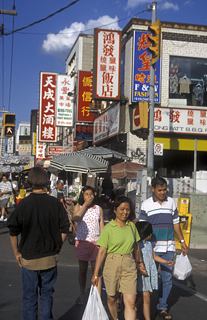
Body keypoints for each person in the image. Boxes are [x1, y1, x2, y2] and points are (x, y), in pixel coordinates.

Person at [7, 166, 69, 320]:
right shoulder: (55, 204)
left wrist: (16, 253)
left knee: (29, 297)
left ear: (30, 182)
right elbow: (64, 229)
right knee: (47, 295)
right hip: (49, 258)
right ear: (46, 181)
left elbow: (13, 231)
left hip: (28, 259)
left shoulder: (24, 205)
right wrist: (57, 247)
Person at [139, 176, 188, 320]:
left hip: (169, 248)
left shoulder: (171, 202)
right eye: (159, 190)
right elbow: (143, 229)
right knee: (148, 280)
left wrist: (182, 241)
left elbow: (176, 224)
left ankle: (163, 307)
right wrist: (143, 249)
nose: (162, 192)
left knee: (167, 280)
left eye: (164, 190)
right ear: (152, 189)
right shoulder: (146, 205)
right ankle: (145, 306)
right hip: (151, 249)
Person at [92, 196, 146, 320]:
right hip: (112, 264)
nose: (125, 212)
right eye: (122, 209)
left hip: (129, 264)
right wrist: (95, 274)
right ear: (115, 210)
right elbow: (101, 252)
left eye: (127, 210)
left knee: (131, 302)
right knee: (112, 298)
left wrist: (140, 262)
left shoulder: (132, 226)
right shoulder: (108, 228)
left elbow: (136, 247)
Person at [135, 221, 174, 320]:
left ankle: (134, 309)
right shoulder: (137, 245)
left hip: (149, 273)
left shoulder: (148, 244)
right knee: (146, 297)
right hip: (143, 273)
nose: (151, 235)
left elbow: (154, 256)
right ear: (145, 233)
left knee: (145, 296)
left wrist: (166, 262)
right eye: (150, 233)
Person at [72, 185, 104, 304]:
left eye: (91, 194)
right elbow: (75, 218)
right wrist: (85, 205)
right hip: (82, 242)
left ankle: (98, 297)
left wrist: (103, 240)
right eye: (86, 194)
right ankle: (82, 293)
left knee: (97, 271)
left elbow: (101, 226)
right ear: (83, 195)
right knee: (82, 270)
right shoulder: (78, 207)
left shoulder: (98, 209)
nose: (89, 196)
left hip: (96, 242)